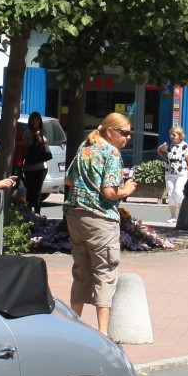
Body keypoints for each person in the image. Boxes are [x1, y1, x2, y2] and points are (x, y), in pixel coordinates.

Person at [63, 112, 135, 337]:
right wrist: (127, 189)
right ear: (110, 131)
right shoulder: (111, 152)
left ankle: (73, 327)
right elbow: (110, 192)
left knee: (81, 271)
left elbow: (68, 179)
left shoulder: (85, 147)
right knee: (105, 270)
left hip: (75, 216)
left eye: (129, 134)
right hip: (100, 218)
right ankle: (103, 333)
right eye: (124, 133)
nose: (127, 138)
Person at [157, 126, 188, 223]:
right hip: (169, 173)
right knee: (170, 195)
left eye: (174, 134)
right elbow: (159, 150)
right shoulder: (168, 144)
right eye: (171, 134)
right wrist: (166, 158)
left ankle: (184, 214)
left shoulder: (185, 146)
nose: (172, 136)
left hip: (181, 173)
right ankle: (173, 216)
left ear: (180, 136)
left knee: (178, 192)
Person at [21, 112, 53, 216]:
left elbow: (44, 143)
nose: (35, 122)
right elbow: (24, 147)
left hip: (41, 166)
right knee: (30, 190)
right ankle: (29, 211)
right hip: (29, 166)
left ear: (40, 121)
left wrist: (38, 134)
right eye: (33, 119)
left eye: (37, 120)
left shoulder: (43, 132)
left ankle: (37, 212)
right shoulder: (26, 133)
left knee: (38, 190)